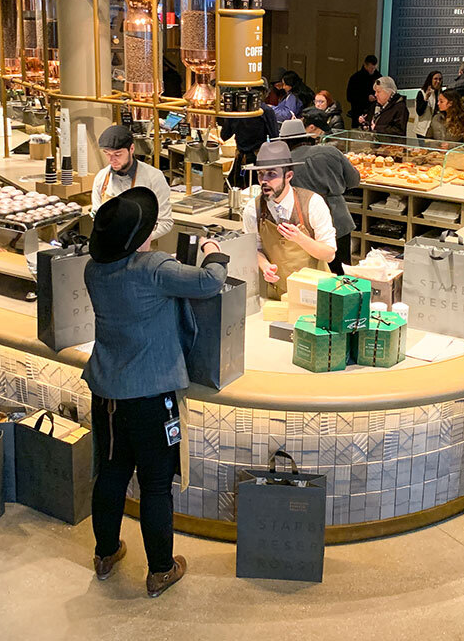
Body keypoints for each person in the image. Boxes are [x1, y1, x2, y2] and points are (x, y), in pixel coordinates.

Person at [82, 187, 229, 597]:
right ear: (140, 238)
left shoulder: (94, 269)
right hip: (152, 399)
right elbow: (209, 282)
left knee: (110, 473)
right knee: (156, 485)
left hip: (107, 393)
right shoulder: (154, 268)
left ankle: (105, 554)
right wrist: (213, 248)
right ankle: (161, 570)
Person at [241, 140, 336, 299]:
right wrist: (265, 267)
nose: (264, 180)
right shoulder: (253, 209)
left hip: (316, 293)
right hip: (277, 293)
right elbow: (253, 249)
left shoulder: (312, 203)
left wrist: (300, 238)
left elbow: (329, 254)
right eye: (261, 174)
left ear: (289, 176)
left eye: (272, 174)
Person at [278, 118, 361, 273]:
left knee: (312, 275)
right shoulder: (331, 151)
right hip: (338, 216)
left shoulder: (284, 164)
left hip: (305, 222)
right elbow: (354, 180)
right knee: (342, 272)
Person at [89, 124, 172, 242]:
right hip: (109, 247)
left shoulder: (153, 177)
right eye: (107, 153)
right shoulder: (101, 178)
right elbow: (97, 217)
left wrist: (136, 241)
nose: (112, 160)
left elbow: (166, 222)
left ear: (131, 149)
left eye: (117, 154)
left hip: (141, 249)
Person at [220, 102, 277, 186]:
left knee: (238, 188)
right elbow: (274, 138)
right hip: (257, 160)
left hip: (244, 159)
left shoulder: (236, 110)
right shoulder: (266, 111)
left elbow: (224, 135)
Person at [345, 55, 381, 126]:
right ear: (365, 65)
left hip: (374, 111)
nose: (372, 70)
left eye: (374, 68)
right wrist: (366, 98)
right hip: (358, 111)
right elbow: (350, 97)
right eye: (370, 68)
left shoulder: (378, 77)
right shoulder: (355, 78)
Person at [414, 71, 442, 136]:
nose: (438, 81)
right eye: (435, 79)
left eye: (440, 79)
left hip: (435, 129)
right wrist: (426, 99)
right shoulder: (422, 93)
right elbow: (419, 112)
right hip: (423, 130)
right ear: (430, 80)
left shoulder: (440, 94)